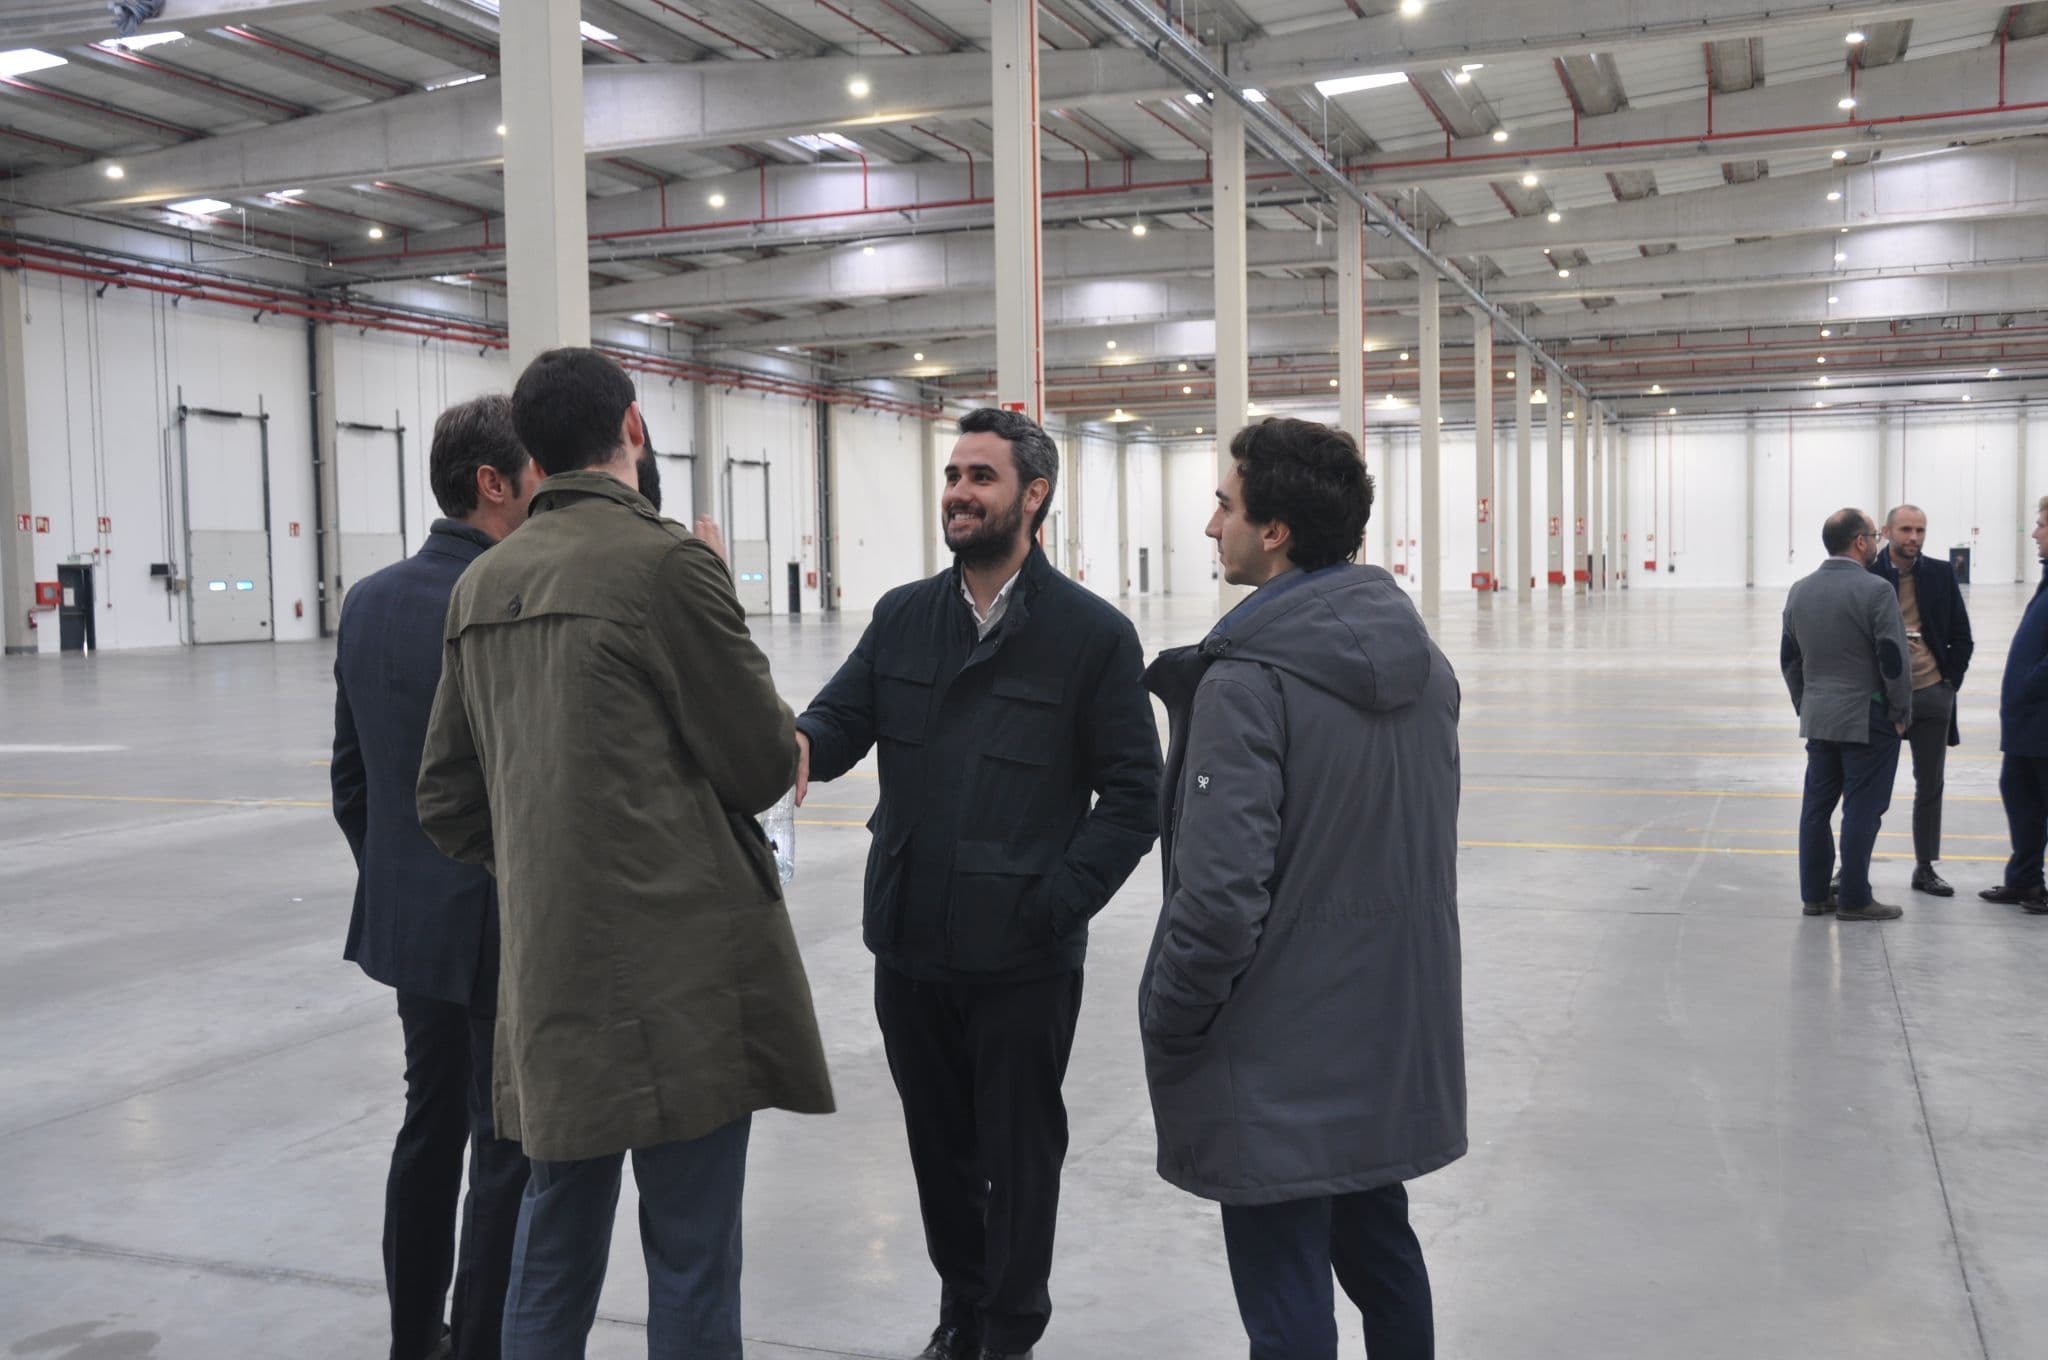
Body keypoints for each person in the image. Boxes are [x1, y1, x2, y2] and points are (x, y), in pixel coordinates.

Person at [416, 347, 834, 1360]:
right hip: (683, 984)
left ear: (531, 453)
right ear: (633, 428)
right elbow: (758, 762)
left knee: (553, 1249)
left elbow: (446, 799)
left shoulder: (481, 586)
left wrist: (547, 860)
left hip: (551, 981)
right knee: (690, 1253)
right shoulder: (666, 565)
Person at [793, 407, 1160, 1360]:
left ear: (1033, 496)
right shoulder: (903, 617)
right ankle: (961, 1311)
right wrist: (786, 745)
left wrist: (1055, 907)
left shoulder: (1091, 636)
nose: (958, 492)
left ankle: (1008, 1330)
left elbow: (1134, 799)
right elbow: (837, 723)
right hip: (910, 940)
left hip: (1022, 959)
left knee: (1019, 1155)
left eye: (980, 477)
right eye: (954, 475)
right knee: (938, 1149)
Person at [1139, 418, 1464, 1360]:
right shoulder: (1427, 669)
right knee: (1383, 1253)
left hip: (1274, 1052)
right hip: (1383, 1031)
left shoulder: (1248, 682)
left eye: (1225, 506)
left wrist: (1172, 1012)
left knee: (1285, 1301)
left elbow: (1217, 900)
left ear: (1274, 531)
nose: (1212, 527)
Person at [332, 394, 539, 1360]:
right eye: (537, 474)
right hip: (501, 921)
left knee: (428, 1129)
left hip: (415, 923)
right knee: (504, 1147)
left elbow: (352, 782)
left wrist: (406, 876)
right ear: (493, 484)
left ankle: (414, 1337)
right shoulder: (505, 597)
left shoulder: (369, 600)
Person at [1782, 508, 1913, 921]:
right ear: (1859, 541)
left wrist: (1806, 704)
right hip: (1867, 717)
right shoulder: (1876, 590)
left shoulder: (1799, 591)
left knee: (1816, 808)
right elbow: (1892, 658)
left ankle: (1814, 895)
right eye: (1875, 536)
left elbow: (1789, 659)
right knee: (1862, 809)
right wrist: (1900, 710)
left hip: (1820, 718)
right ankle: (1855, 898)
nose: (1877, 543)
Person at [1869, 505, 1973, 896]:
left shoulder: (1941, 573)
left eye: (1920, 530)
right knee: (1868, 786)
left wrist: (1949, 683)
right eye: (1906, 530)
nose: (1914, 537)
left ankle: (1925, 867)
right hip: (1881, 698)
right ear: (1886, 532)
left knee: (1930, 785)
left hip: (1932, 693)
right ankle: (1853, 867)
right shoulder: (1869, 574)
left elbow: (1962, 636)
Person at [1984, 496, 2048, 913]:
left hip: (2041, 719)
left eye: (2042, 525)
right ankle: (2025, 881)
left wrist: (2027, 685)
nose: (2034, 533)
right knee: (2020, 797)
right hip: (2027, 723)